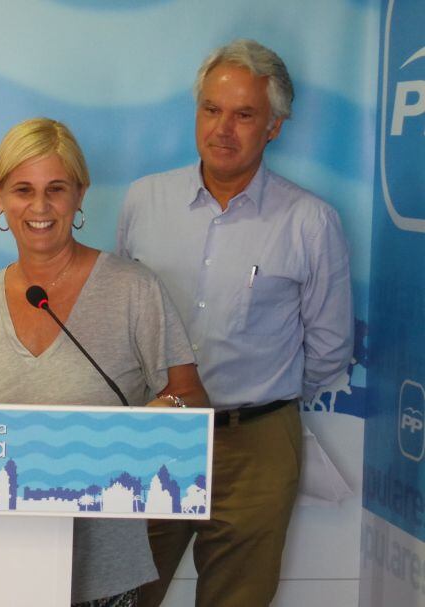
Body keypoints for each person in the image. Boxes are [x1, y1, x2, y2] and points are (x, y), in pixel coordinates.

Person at [0, 117, 209, 607]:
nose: (39, 207)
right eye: (22, 190)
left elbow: (190, 393)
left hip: (103, 572)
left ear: (80, 193)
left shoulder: (132, 289)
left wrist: (161, 415)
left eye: (56, 189)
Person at [116, 39, 354, 607]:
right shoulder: (144, 201)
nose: (223, 129)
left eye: (244, 114)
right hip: (153, 434)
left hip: (255, 445)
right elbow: (120, 316)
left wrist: (262, 407)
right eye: (211, 109)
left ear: (274, 126)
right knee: (121, 595)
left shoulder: (310, 221)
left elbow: (329, 345)